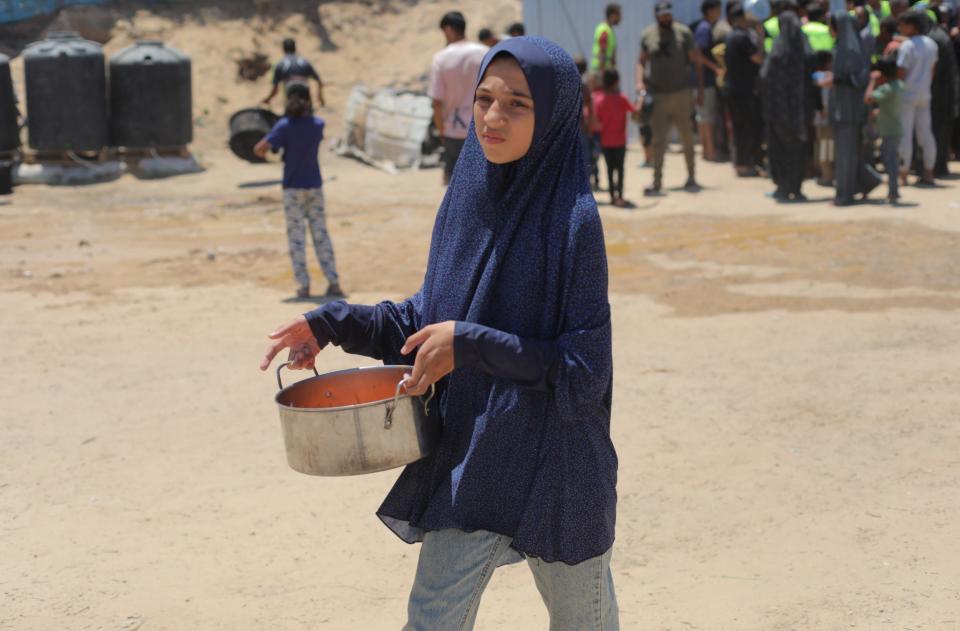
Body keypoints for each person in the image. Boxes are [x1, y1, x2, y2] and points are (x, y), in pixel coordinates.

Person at [259, 36, 619, 631]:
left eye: (517, 104)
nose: (492, 117)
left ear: (553, 114)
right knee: (431, 619)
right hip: (477, 456)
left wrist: (471, 345)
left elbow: (585, 373)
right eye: (483, 99)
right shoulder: (466, 197)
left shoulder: (574, 221)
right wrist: (329, 321)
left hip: (560, 467)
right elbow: (430, 320)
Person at [254, 82, 342, 298]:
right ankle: (333, 282)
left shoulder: (283, 126)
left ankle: (304, 286)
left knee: (297, 239)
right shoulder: (317, 125)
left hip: (292, 188)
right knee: (321, 235)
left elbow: (259, 149)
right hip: (314, 186)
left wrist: (276, 152)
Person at [638, 1, 703, 195]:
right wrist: (640, 84)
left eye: (669, 14)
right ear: (656, 15)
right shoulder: (647, 35)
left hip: (682, 93)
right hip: (658, 95)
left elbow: (695, 61)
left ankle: (691, 176)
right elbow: (641, 62)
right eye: (663, 15)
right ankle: (657, 181)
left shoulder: (683, 33)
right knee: (658, 140)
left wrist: (699, 89)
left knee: (687, 137)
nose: (667, 17)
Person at [827, 13, 882, 205]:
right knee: (847, 153)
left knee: (846, 154)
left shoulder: (850, 51)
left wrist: (835, 79)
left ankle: (845, 194)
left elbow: (859, 78)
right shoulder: (842, 48)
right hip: (843, 109)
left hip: (850, 111)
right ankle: (866, 181)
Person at [429, 11, 489, 185]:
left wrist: (441, 131)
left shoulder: (441, 58)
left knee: (456, 189)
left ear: (448, 29)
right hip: (484, 128)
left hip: (453, 131)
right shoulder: (485, 53)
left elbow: (436, 102)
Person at [761, 10, 813, 200]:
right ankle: (796, 188)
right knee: (798, 148)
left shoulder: (777, 50)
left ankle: (783, 187)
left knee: (780, 148)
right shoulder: (805, 49)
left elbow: (764, 77)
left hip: (778, 111)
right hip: (800, 111)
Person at [896, 9, 938, 184]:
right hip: (924, 93)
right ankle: (929, 171)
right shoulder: (931, 44)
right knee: (926, 133)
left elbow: (901, 71)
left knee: (905, 134)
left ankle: (903, 174)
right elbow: (932, 71)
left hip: (907, 94)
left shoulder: (907, 46)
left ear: (911, 26)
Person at [725, 5, 766, 177]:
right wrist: (761, 37)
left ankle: (741, 162)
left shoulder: (731, 36)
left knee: (739, 126)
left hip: (734, 88)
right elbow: (757, 58)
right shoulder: (742, 37)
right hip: (743, 90)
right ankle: (743, 164)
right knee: (745, 127)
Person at [596, 68, 639, 206]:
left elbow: (597, 120)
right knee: (620, 169)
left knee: (609, 170)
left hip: (605, 141)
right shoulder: (622, 98)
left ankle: (611, 197)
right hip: (620, 141)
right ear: (616, 82)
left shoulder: (599, 99)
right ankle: (620, 196)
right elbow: (635, 111)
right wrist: (641, 98)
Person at [865, 56, 905, 202]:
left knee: (890, 162)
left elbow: (868, 98)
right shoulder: (900, 85)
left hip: (889, 131)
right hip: (895, 129)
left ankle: (893, 191)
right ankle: (894, 190)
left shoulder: (886, 89)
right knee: (892, 160)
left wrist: (873, 81)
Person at [927, 7, 959, 176]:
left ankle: (938, 167)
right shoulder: (940, 35)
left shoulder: (934, 38)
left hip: (941, 94)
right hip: (946, 92)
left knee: (938, 131)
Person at [696, 0, 724, 161]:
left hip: (703, 80)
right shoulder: (705, 28)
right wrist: (716, 68)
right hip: (704, 80)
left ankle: (707, 150)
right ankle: (710, 151)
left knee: (704, 117)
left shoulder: (705, 27)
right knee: (707, 117)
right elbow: (698, 55)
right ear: (710, 10)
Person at [262, 38, 325, 108]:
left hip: (290, 93)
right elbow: (319, 81)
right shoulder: (305, 62)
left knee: (288, 115)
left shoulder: (280, 64)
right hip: (305, 91)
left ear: (283, 49)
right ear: (295, 48)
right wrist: (320, 98)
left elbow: (275, 90)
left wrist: (268, 99)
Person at [592, 3, 622, 72]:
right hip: (601, 70)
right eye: (619, 15)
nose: (620, 18)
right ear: (612, 15)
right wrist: (602, 73)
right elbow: (602, 52)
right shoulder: (604, 30)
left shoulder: (609, 30)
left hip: (606, 70)